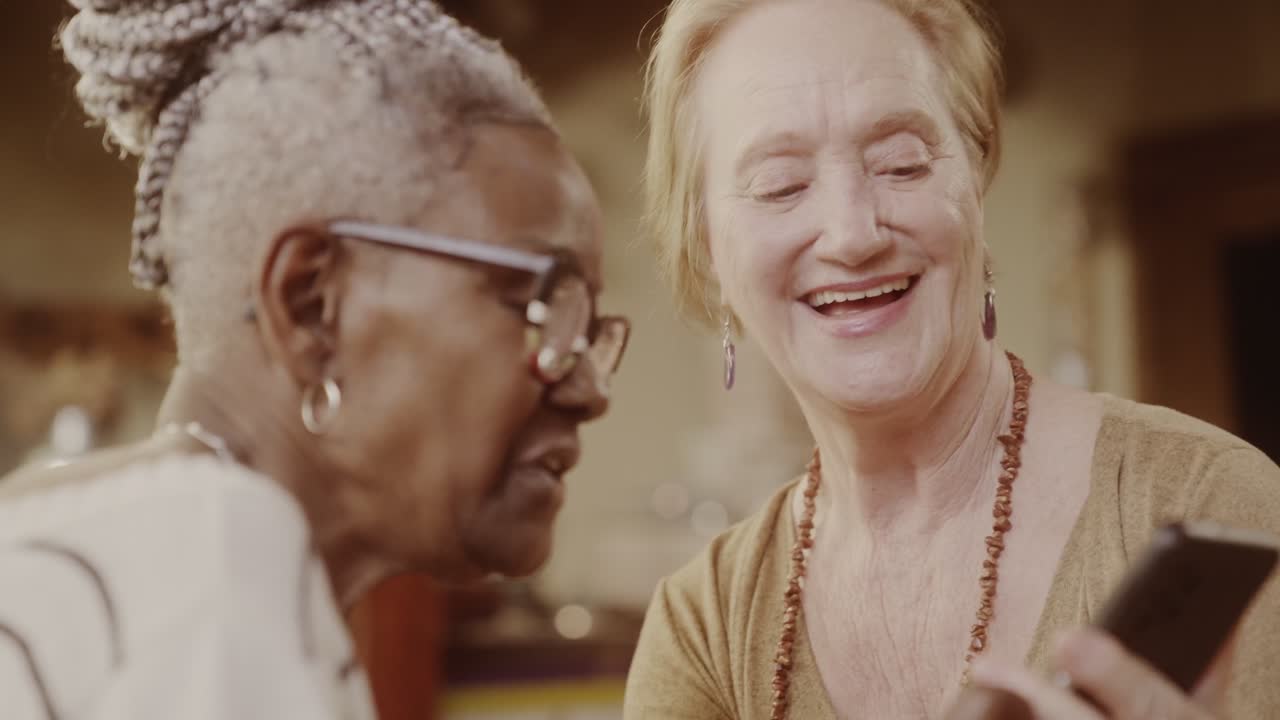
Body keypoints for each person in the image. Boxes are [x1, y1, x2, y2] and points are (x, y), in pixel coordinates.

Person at [624, 0, 1280, 718]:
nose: (852, 232)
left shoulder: (1214, 505)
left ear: (975, 178)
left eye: (901, 164)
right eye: (781, 185)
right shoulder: (703, 626)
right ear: (709, 251)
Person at [0, 1, 629, 718]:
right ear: (310, 307)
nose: (588, 386)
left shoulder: (117, 541)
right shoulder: (214, 558)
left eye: (590, 328)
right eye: (541, 300)